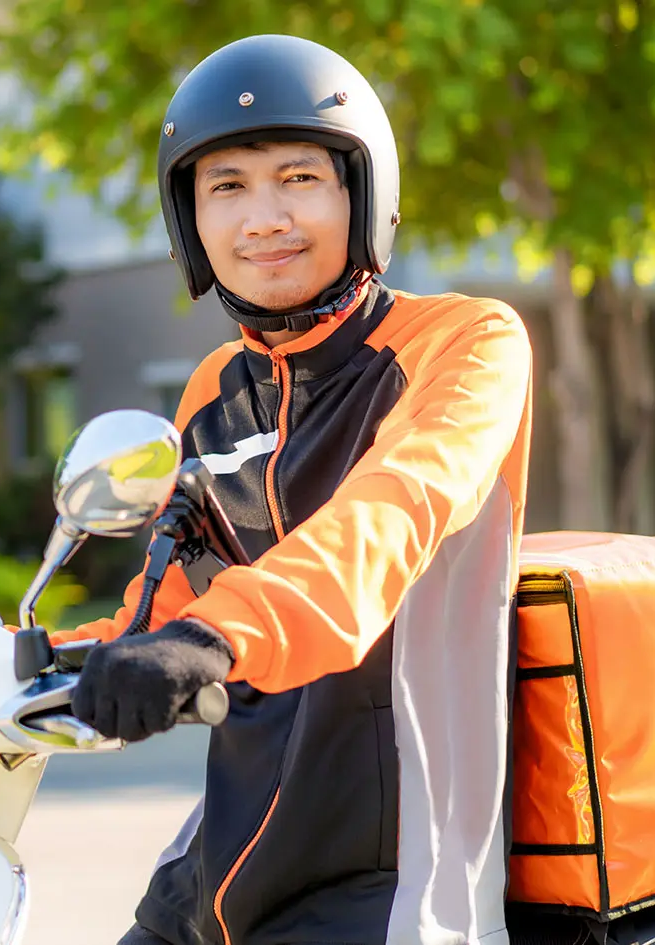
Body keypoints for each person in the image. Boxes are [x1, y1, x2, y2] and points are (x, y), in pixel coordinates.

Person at [45, 32, 536, 945]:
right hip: (225, 865)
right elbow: (163, 612)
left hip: (389, 877)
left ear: (364, 194)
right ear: (190, 220)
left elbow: (385, 519)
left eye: (300, 178)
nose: (263, 217)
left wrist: (212, 637)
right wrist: (0, 657)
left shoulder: (465, 344)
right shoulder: (214, 392)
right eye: (227, 186)